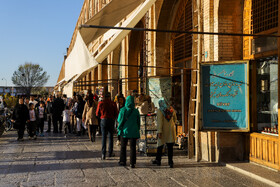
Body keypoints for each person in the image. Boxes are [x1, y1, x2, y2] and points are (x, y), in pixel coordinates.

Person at [152, 98, 177, 168]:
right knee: (170, 147)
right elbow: (175, 120)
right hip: (171, 130)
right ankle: (170, 162)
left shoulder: (160, 111)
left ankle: (158, 160)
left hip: (163, 130)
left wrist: (159, 131)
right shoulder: (171, 110)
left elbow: (160, 122)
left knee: (160, 146)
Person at [117, 95, 140, 168]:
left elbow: (119, 120)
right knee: (133, 147)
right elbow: (138, 121)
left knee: (123, 147)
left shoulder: (123, 110)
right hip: (133, 131)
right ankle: (132, 163)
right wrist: (137, 128)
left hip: (125, 132)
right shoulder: (136, 111)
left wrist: (119, 128)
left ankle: (123, 161)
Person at [96, 92, 118, 160]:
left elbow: (97, 113)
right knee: (111, 136)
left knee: (104, 137)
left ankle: (103, 154)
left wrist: (101, 117)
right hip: (111, 120)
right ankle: (110, 152)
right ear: (110, 96)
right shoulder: (113, 103)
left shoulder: (101, 103)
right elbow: (116, 113)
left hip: (103, 120)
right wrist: (113, 117)